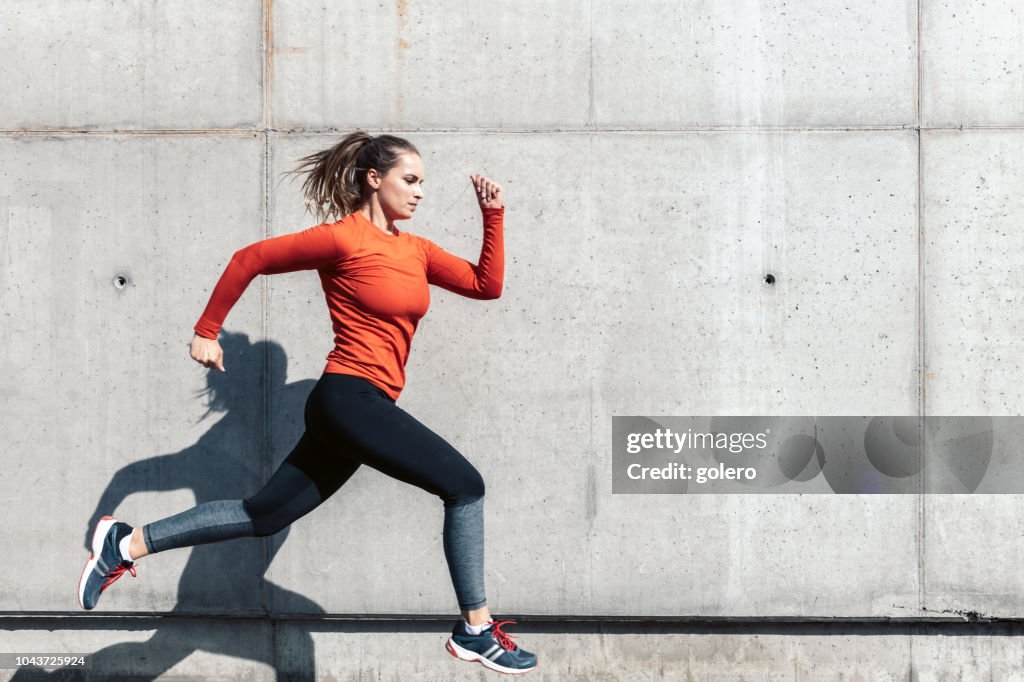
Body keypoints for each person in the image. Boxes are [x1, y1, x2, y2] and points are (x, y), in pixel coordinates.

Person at [77, 131, 538, 674]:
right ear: (375, 179)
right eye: (409, 180)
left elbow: (487, 285)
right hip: (349, 397)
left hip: (360, 407)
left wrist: (494, 213)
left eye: (422, 184)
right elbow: (250, 258)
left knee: (263, 514)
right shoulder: (343, 240)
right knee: (465, 486)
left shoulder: (417, 251)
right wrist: (208, 330)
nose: (419, 193)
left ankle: (124, 544)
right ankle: (475, 629)